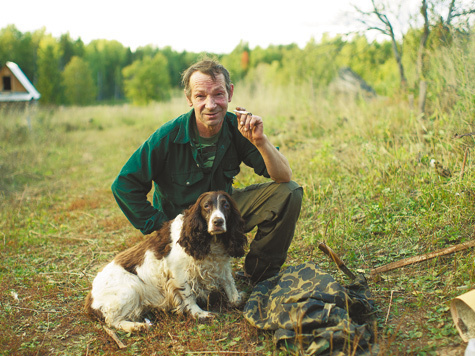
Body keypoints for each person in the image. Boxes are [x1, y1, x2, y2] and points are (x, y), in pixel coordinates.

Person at [111, 59, 303, 283]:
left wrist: (260, 141)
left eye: (218, 94)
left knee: (289, 192)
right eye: (201, 96)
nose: (211, 104)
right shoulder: (167, 136)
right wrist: (163, 227)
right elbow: (124, 185)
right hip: (184, 229)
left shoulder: (237, 128)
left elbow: (283, 176)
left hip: (223, 214)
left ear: (230, 93)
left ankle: (259, 275)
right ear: (189, 98)